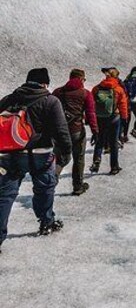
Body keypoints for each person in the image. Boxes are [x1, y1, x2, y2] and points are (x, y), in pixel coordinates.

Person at [0, 68, 71, 249]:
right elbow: (61, 130)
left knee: (5, 195)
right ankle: (46, 222)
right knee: (44, 188)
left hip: (9, 153)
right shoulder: (50, 101)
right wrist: (66, 152)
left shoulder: (10, 98)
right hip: (41, 154)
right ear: (45, 83)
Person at [53, 69, 98, 196]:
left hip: (59, 132)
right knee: (78, 158)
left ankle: (51, 183)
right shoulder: (85, 93)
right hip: (77, 131)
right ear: (81, 79)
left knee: (60, 159)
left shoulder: (58, 92)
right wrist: (95, 131)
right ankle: (78, 186)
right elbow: (90, 113)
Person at [91, 67, 129, 176]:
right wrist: (124, 118)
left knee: (99, 140)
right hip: (114, 118)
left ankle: (96, 160)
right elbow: (123, 104)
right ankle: (114, 167)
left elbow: (92, 102)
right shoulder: (118, 89)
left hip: (100, 118)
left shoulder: (97, 88)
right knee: (113, 143)